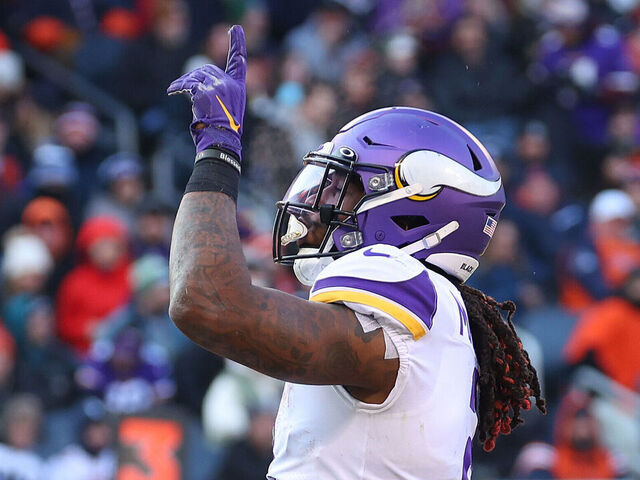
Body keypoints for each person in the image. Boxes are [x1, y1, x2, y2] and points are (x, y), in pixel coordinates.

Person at [167, 26, 545, 479]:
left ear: (413, 205)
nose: (320, 199)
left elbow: (208, 304)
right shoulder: (442, 315)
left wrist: (218, 154)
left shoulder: (399, 277)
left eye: (344, 185)